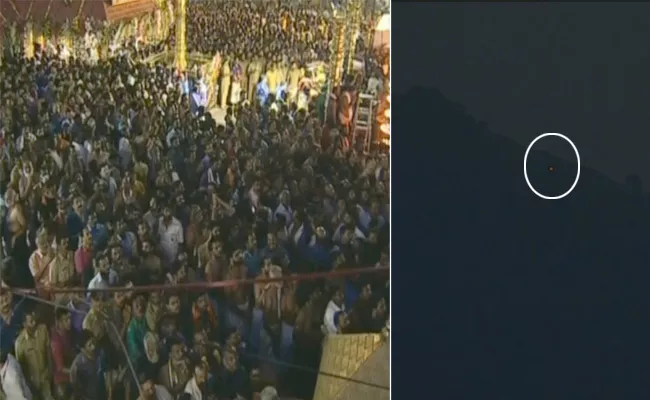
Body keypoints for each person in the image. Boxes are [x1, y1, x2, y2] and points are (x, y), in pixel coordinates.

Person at [14, 308, 54, 400]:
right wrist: (29, 384)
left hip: (45, 377)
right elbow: (21, 366)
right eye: (31, 321)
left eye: (34, 319)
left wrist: (50, 369)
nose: (34, 323)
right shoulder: (20, 343)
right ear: (24, 324)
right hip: (31, 382)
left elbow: (48, 350)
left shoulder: (43, 329)